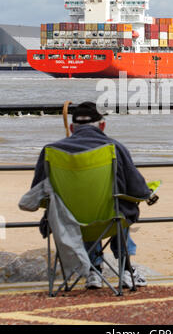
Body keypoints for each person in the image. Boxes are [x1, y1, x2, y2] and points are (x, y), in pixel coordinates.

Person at [30, 101, 153, 289]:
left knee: (83, 206)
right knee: (121, 203)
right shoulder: (115, 149)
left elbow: (37, 192)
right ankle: (126, 270)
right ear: (102, 126)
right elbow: (139, 191)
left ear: (72, 128)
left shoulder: (50, 151)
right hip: (110, 221)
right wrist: (148, 193)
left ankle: (94, 270)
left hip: (67, 223)